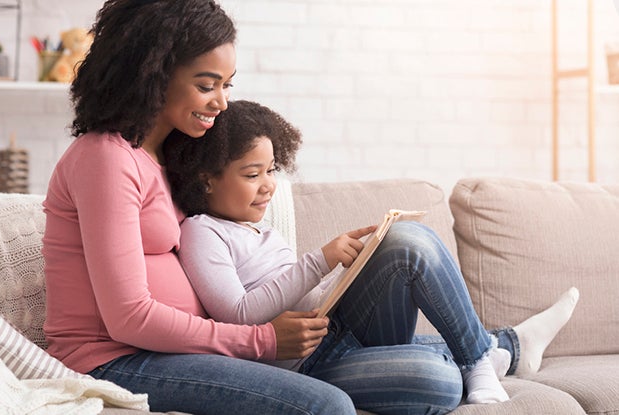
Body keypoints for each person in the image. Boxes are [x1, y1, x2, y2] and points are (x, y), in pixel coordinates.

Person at [164, 99, 581, 414]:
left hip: (339, 329)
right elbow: (237, 314)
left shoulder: (262, 228)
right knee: (436, 382)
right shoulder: (202, 231)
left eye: (272, 170)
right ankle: (502, 348)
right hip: (301, 368)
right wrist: (318, 263)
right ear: (206, 180)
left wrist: (343, 278)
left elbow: (295, 298)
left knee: (407, 239)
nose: (269, 186)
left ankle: (478, 361)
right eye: (252, 175)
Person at [41, 1, 358, 414]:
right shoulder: (105, 157)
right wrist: (259, 340)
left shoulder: (169, 155)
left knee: (417, 373)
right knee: (326, 406)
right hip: (112, 360)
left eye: (227, 85)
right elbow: (129, 317)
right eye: (207, 85)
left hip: (167, 352)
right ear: (153, 76)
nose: (222, 102)